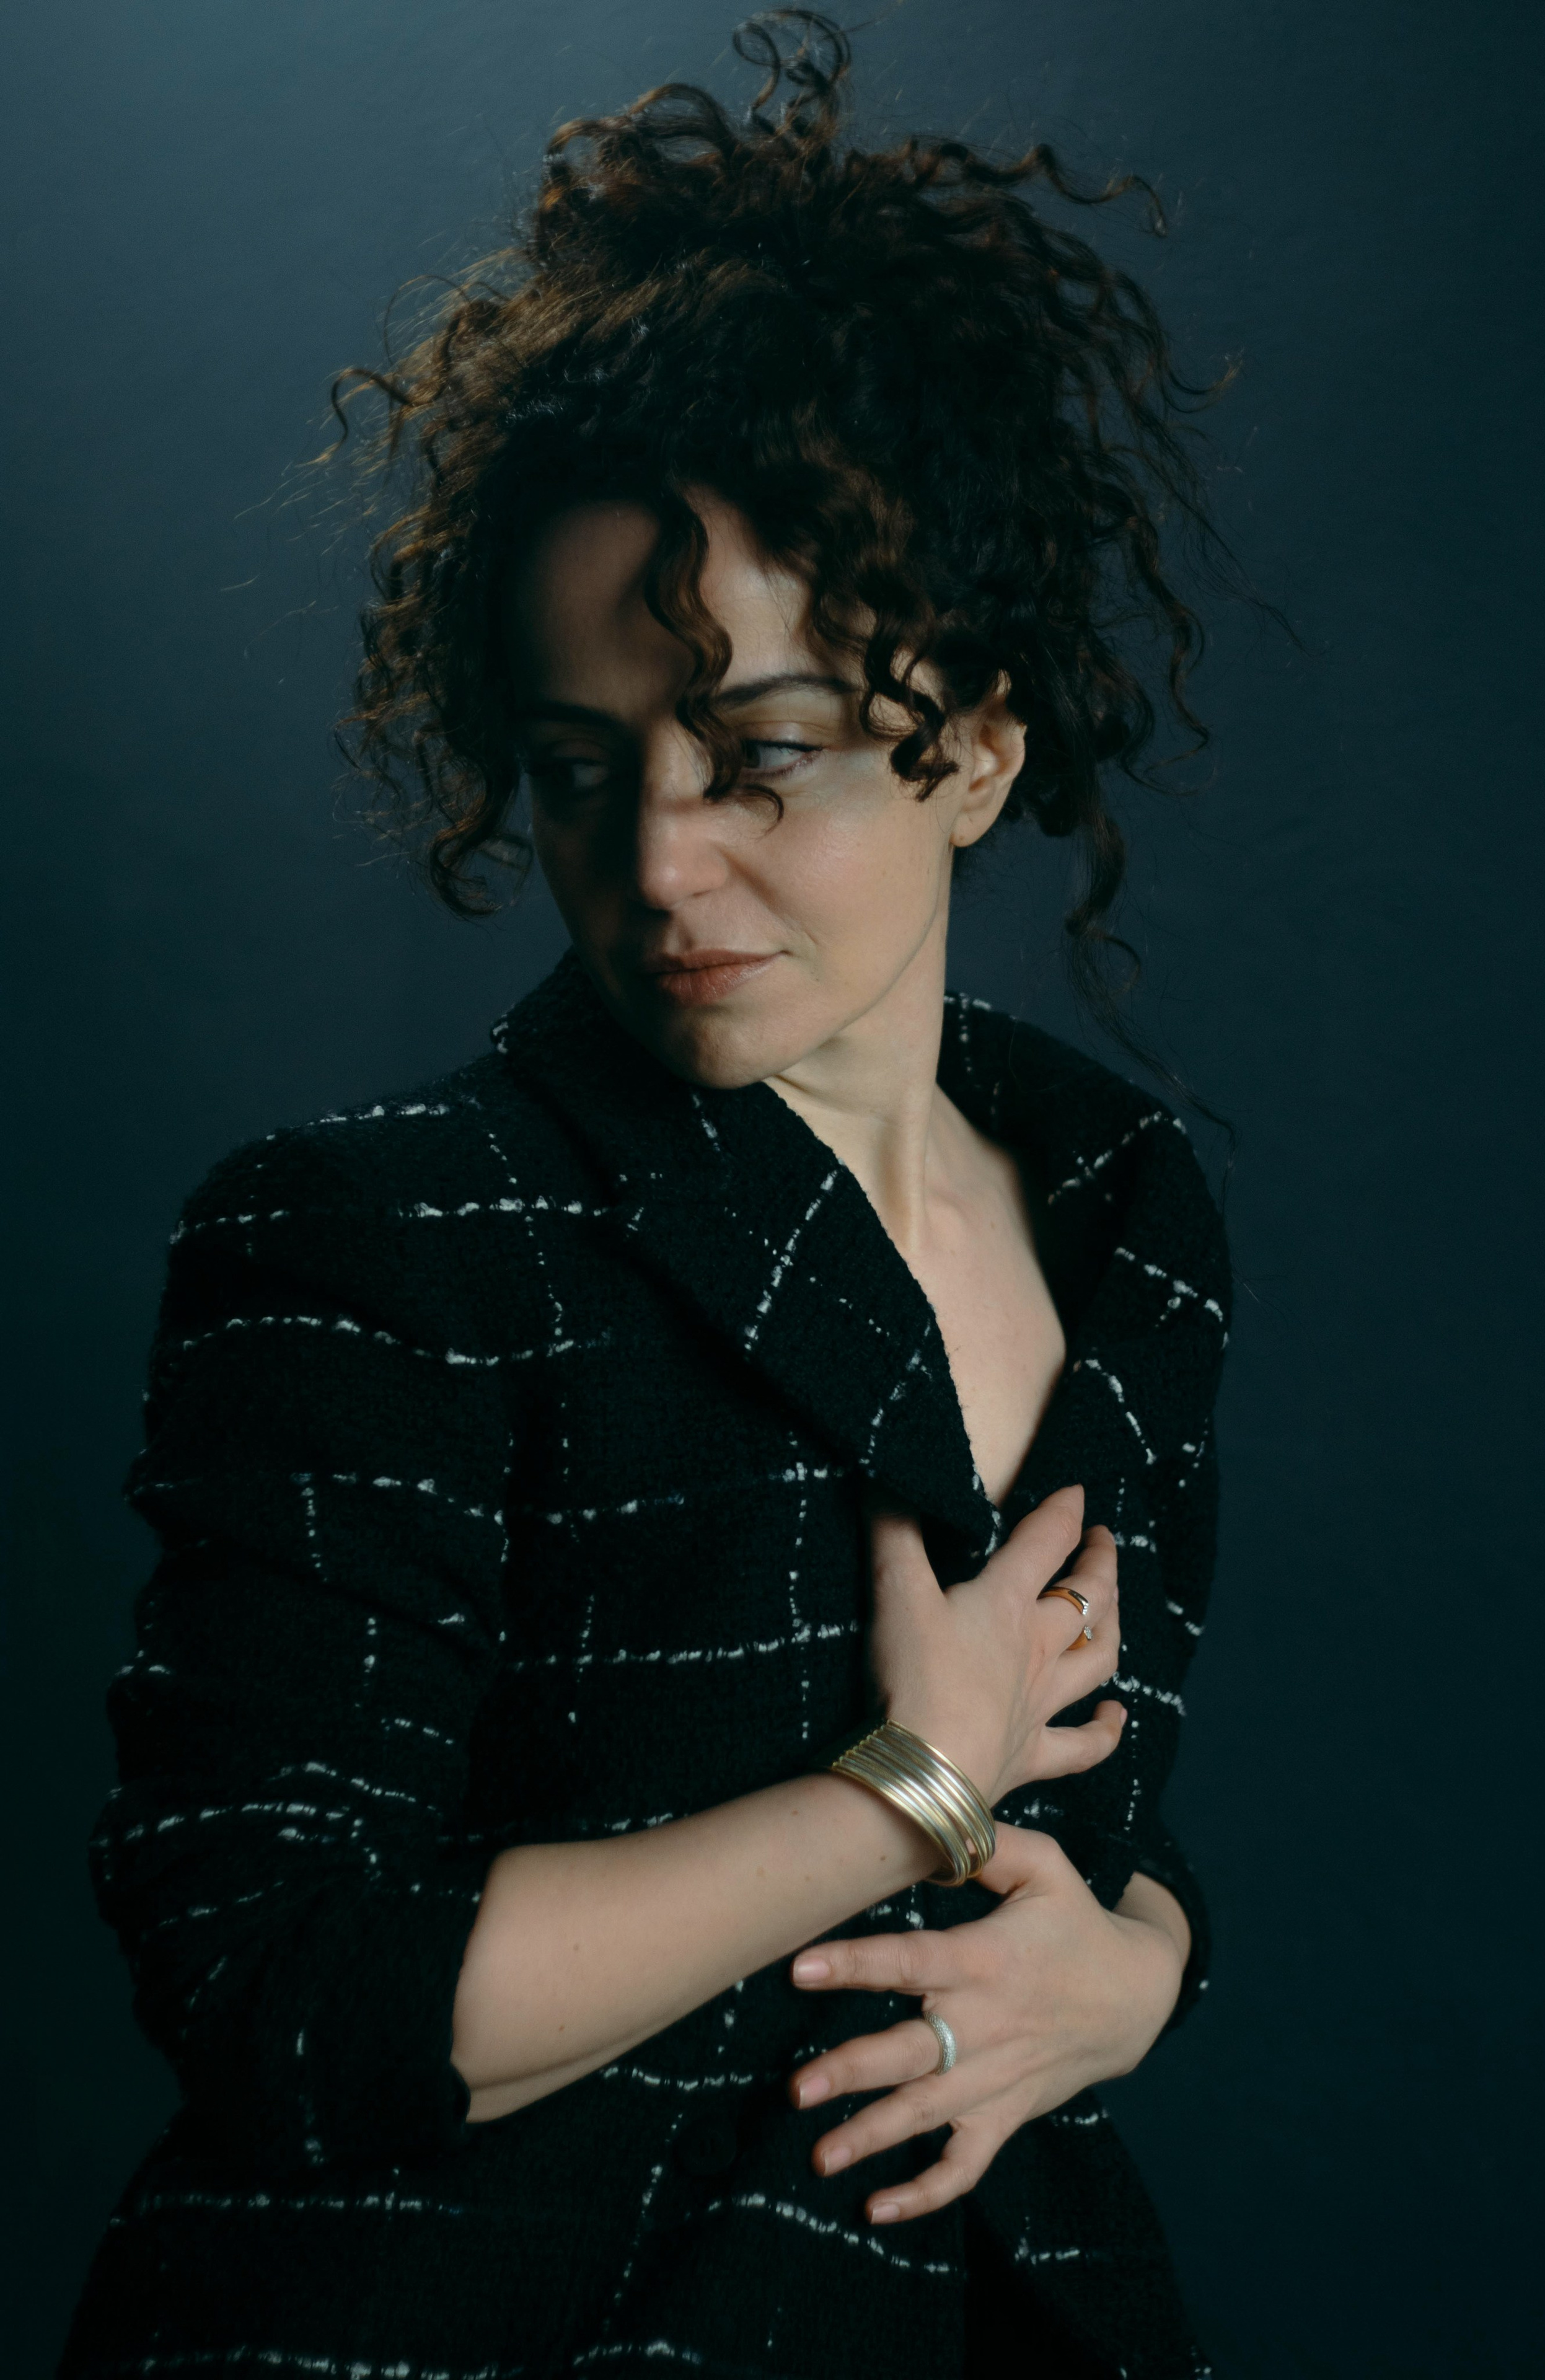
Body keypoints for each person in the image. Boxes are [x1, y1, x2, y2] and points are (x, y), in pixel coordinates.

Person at [61, 14, 1232, 2377]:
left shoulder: (1127, 1200)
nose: (660, 867)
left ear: (977, 740)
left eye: (761, 759)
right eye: (584, 773)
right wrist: (899, 1789)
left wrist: (1139, 1973)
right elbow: (283, 2003)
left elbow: (1089, 1826)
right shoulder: (378, 1232)